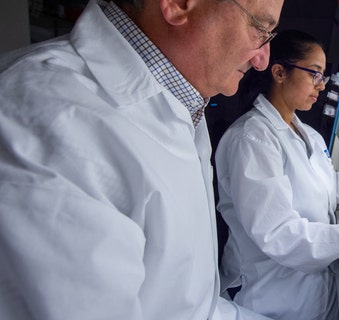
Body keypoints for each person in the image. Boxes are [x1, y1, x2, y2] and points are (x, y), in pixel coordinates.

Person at [0, 0, 283, 319]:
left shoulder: (180, 101)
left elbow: (182, 304)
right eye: (260, 29)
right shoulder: (53, 124)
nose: (263, 60)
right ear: (178, 5)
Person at [215, 30, 339, 320]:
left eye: (323, 77)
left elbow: (333, 188)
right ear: (280, 72)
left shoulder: (307, 134)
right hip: (268, 296)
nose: (321, 86)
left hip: (312, 290)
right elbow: (278, 234)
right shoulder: (252, 139)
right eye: (314, 74)